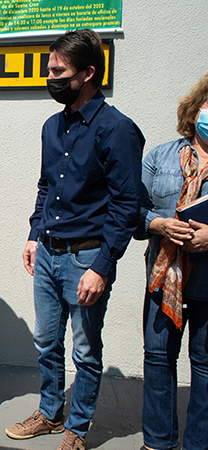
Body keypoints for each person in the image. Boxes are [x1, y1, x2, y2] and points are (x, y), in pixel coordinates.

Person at [5, 29, 144, 450]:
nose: (51, 78)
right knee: (46, 341)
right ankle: (49, 413)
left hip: (87, 259)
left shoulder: (117, 129)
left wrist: (103, 266)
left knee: (85, 350)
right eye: (50, 70)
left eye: (58, 71)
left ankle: (76, 429)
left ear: (88, 73)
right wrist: (33, 234)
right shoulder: (52, 127)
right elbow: (46, 186)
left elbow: (126, 206)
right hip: (47, 253)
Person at [134, 73, 208, 450]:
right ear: (195, 110)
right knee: (158, 358)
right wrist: (159, 223)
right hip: (164, 280)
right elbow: (134, 211)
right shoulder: (160, 156)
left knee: (206, 365)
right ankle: (158, 442)